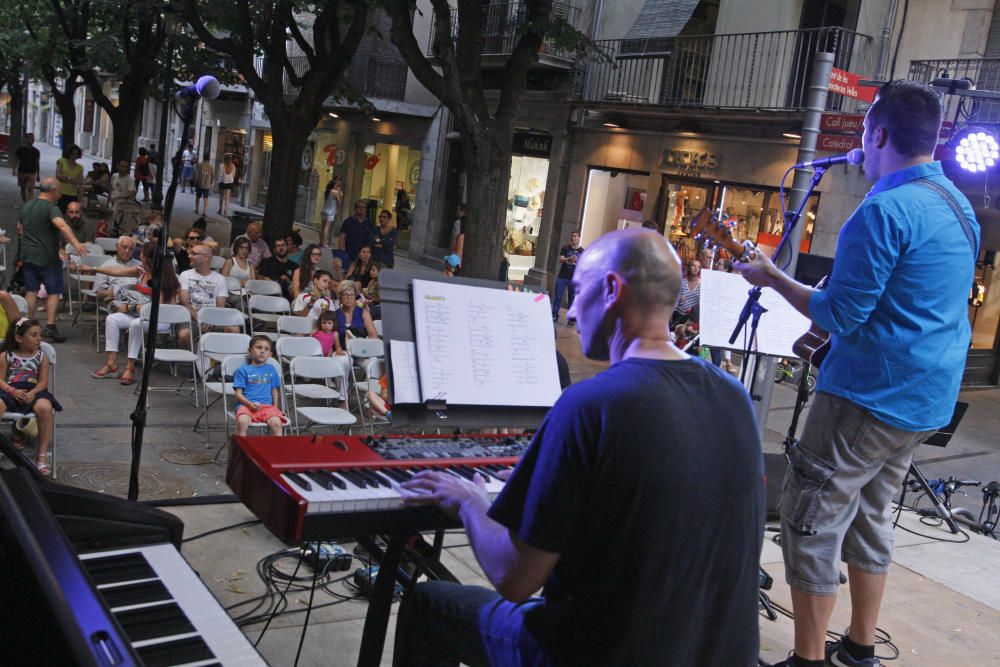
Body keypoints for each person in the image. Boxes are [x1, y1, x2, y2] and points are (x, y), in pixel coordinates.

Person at [394, 229, 763, 666]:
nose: (569, 314)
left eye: (580, 291)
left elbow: (514, 578)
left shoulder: (592, 404)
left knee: (428, 603)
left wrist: (471, 503)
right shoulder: (734, 397)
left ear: (610, 290)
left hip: (597, 654)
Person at [734, 80, 979, 667]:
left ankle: (808, 659)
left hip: (868, 395)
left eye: (866, 135)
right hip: (925, 400)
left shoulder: (883, 210)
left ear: (879, 134)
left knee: (810, 518)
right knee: (871, 516)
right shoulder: (958, 205)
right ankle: (860, 648)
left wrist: (771, 276)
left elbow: (839, 314)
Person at [88, 241, 180, 386]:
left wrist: (131, 307)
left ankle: (130, 368)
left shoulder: (163, 278)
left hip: (161, 319)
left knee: (136, 324)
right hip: (140, 313)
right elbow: (117, 271)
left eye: (142, 252)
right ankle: (111, 364)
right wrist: (94, 269)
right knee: (112, 319)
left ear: (147, 257)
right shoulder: (142, 270)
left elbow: (157, 308)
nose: (139, 254)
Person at [21, 177, 88, 343]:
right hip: (47, 257)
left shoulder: (27, 205)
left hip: (28, 255)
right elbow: (62, 225)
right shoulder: (52, 208)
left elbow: (20, 229)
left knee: (31, 291)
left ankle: (27, 325)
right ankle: (50, 327)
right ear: (52, 191)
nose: (60, 194)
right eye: (59, 190)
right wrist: (76, 244)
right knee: (53, 292)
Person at [0, 318, 63, 476]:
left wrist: (33, 393)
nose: (39, 339)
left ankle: (41, 455)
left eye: (39, 335)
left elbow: (43, 382)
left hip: (34, 390)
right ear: (19, 338)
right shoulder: (6, 356)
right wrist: (11, 390)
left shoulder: (41, 356)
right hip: (10, 390)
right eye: (33, 335)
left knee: (45, 407)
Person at [178, 243, 232, 348]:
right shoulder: (185, 275)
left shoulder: (219, 279)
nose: (189, 256)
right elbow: (185, 302)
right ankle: (191, 362)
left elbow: (220, 306)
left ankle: (223, 361)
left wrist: (210, 320)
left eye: (193, 253)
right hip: (190, 317)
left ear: (205, 257)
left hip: (213, 319)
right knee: (184, 334)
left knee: (233, 329)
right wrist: (199, 319)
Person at [233, 335, 286, 436]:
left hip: (267, 407)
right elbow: (238, 394)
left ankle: (276, 450)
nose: (262, 351)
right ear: (250, 351)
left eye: (266, 349)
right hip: (246, 406)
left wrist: (275, 408)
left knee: (276, 423)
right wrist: (249, 404)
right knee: (242, 422)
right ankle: (240, 449)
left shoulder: (271, 369)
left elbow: (274, 390)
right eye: (258, 347)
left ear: (270, 354)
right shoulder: (242, 370)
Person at [93, 236, 140, 306]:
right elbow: (99, 294)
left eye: (131, 249)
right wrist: (119, 291)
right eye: (124, 247)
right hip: (117, 300)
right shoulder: (106, 267)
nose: (127, 251)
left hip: (138, 299)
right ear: (117, 246)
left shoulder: (140, 265)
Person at [332, 280, 377, 351]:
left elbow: (373, 335)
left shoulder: (363, 312)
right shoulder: (335, 315)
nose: (349, 297)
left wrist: (365, 350)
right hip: (342, 352)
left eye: (352, 294)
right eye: (345, 294)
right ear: (340, 296)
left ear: (355, 296)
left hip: (362, 350)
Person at [551, 231, 584, 323]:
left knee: (572, 299)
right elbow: (561, 259)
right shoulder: (565, 248)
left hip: (573, 278)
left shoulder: (582, 251)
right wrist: (568, 259)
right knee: (558, 297)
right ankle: (554, 315)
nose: (573, 238)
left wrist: (576, 262)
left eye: (575, 236)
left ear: (579, 238)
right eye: (572, 236)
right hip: (562, 276)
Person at [12, 132, 41, 203]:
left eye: (33, 138)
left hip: (32, 173)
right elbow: (15, 160)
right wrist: (14, 169)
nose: (32, 140)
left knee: (30, 189)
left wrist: (38, 175)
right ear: (26, 139)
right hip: (22, 172)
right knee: (23, 188)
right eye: (30, 138)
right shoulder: (20, 149)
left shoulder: (36, 151)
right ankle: (25, 202)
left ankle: (29, 204)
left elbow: (37, 163)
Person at [55, 144, 84, 213]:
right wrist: (71, 179)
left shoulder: (80, 167)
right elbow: (58, 176)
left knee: (70, 213)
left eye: (76, 154)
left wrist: (66, 178)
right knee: (59, 213)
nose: (74, 156)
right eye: (72, 154)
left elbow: (80, 181)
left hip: (72, 194)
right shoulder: (61, 162)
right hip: (61, 192)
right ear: (69, 153)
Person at [320, 175, 343, 248]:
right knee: (326, 228)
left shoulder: (327, 191)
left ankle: (321, 242)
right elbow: (339, 202)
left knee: (322, 227)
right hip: (330, 212)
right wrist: (338, 192)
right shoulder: (334, 192)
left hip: (324, 210)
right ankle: (324, 243)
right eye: (336, 184)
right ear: (333, 185)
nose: (337, 185)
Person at [217, 153, 237, 217]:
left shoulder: (222, 165)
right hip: (230, 182)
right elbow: (234, 175)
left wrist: (219, 181)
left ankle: (220, 209)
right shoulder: (233, 166)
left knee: (221, 196)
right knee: (227, 197)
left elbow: (219, 175)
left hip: (223, 182)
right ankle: (226, 211)